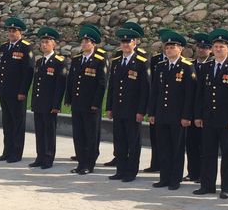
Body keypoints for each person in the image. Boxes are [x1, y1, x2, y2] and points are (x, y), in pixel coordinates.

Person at [194, 29, 228, 198]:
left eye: (221, 47)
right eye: (215, 46)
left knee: (227, 154)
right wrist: (198, 115)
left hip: (227, 119)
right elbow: (200, 93)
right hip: (208, 117)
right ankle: (207, 185)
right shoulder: (207, 67)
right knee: (207, 152)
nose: (218, 49)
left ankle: (226, 187)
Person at [147, 30, 196, 189]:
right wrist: (152, 112)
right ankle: (164, 177)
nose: (168, 50)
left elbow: (190, 95)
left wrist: (186, 116)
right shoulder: (161, 67)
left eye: (172, 47)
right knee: (164, 147)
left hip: (178, 115)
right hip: (162, 114)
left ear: (180, 49)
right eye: (166, 47)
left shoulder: (187, 67)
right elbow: (155, 92)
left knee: (177, 148)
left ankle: (175, 179)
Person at [106, 26, 149, 182]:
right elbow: (112, 86)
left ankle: (131, 171)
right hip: (118, 108)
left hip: (133, 110)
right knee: (119, 141)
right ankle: (120, 170)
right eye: (123, 42)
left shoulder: (141, 62)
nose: (125, 45)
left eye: (128, 42)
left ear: (135, 43)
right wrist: (109, 107)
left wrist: (141, 111)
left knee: (133, 142)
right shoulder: (116, 62)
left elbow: (145, 89)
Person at [64, 25, 107, 175]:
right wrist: (68, 98)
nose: (84, 44)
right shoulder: (77, 60)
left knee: (91, 134)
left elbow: (101, 84)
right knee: (79, 134)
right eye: (83, 41)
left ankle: (89, 164)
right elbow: (71, 80)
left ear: (93, 43)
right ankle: (81, 162)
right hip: (77, 103)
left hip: (91, 105)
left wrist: (96, 103)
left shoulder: (99, 60)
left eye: (87, 41)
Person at [0, 17, 34, 163]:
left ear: (20, 32)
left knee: (17, 123)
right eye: (9, 30)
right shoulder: (4, 47)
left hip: (17, 93)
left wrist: (23, 91)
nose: (11, 33)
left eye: (14, 31)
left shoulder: (25, 47)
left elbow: (28, 72)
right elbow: (0, 68)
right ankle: (7, 151)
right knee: (7, 123)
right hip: (4, 91)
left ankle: (16, 153)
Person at [28, 27, 67, 169]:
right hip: (39, 103)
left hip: (50, 104)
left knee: (49, 132)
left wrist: (56, 105)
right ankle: (40, 156)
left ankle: (48, 158)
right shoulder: (39, 62)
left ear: (53, 45)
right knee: (39, 131)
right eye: (42, 42)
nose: (44, 45)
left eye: (47, 42)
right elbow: (37, 84)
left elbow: (60, 86)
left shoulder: (59, 62)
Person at [185, 32, 212, 182]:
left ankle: (203, 174)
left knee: (205, 146)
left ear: (210, 50)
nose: (202, 50)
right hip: (191, 111)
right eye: (200, 47)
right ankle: (192, 172)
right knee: (191, 144)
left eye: (206, 47)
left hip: (206, 112)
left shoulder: (212, 66)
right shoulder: (190, 66)